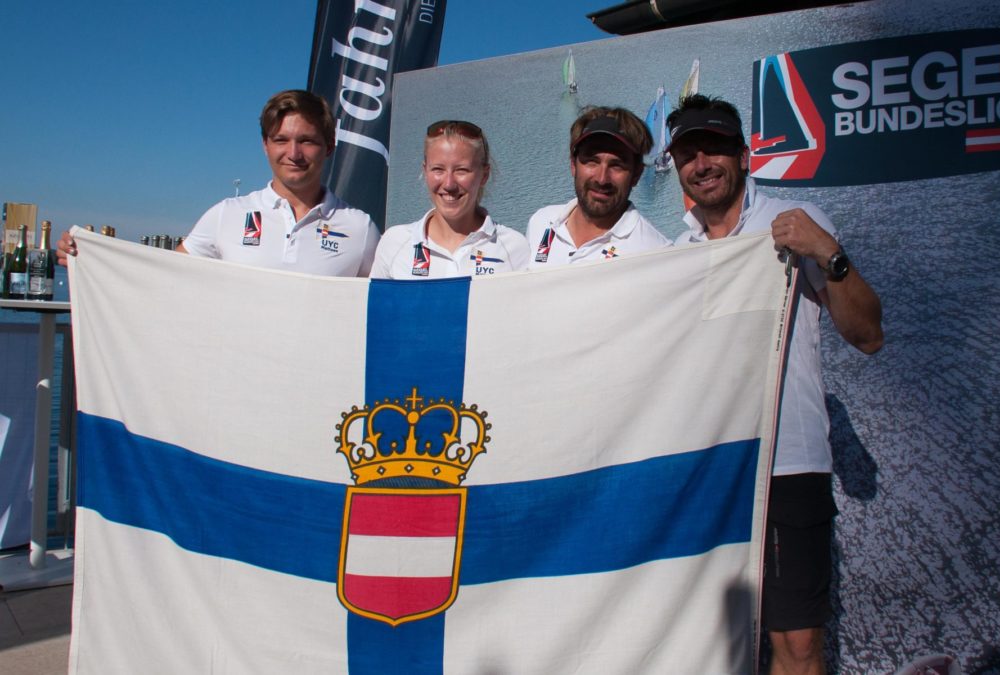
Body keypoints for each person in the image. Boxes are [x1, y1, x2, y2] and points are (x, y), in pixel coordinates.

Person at [665, 94, 883, 675]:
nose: (702, 162)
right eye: (689, 152)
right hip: (707, 471)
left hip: (787, 466)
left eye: (714, 147)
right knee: (712, 646)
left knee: (796, 648)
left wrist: (828, 254)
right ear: (677, 167)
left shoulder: (796, 222)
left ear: (743, 154)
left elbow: (868, 336)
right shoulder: (676, 253)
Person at [58, 90, 380, 277]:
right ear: (265, 145)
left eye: (306, 141)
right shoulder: (227, 214)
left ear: (329, 146)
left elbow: (389, 311)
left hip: (320, 386)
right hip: (235, 384)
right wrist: (89, 260)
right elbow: (160, 276)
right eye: (281, 140)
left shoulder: (359, 227)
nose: (293, 153)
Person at [370, 120, 527, 278]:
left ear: (484, 175)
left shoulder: (514, 248)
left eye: (461, 170)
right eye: (438, 169)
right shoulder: (395, 243)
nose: (449, 184)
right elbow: (373, 303)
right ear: (425, 171)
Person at [526, 106, 670, 268]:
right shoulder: (541, 222)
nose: (602, 179)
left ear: (636, 174)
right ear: (573, 165)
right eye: (592, 161)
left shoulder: (657, 253)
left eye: (617, 165)